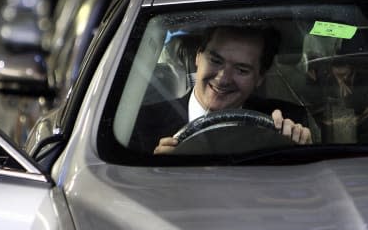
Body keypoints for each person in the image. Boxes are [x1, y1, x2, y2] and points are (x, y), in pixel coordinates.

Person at [129, 25, 313, 155]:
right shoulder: (140, 126)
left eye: (241, 70)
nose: (223, 78)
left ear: (259, 78)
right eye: (215, 61)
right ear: (198, 57)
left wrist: (298, 154)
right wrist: (156, 170)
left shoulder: (287, 125)